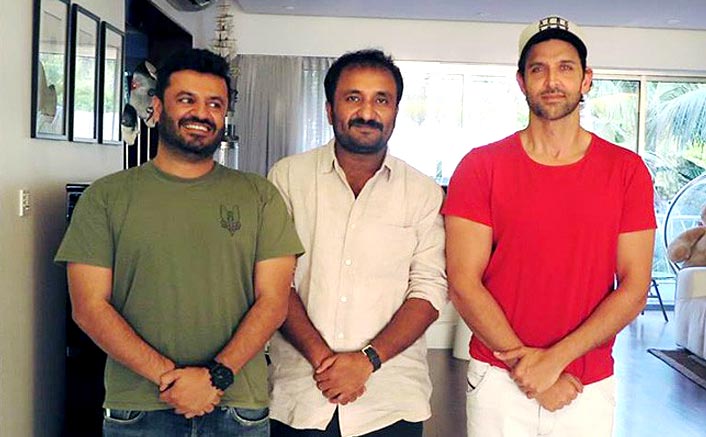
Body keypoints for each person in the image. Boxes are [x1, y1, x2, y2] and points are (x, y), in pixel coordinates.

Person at [55, 48, 304, 436]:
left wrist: (215, 377)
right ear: (157, 108)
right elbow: (89, 307)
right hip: (138, 408)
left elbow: (273, 301)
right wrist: (172, 379)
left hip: (237, 406)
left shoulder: (259, 196)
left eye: (214, 104)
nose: (201, 113)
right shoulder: (105, 197)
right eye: (187, 100)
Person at [443, 16, 656, 437]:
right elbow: (464, 282)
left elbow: (634, 288)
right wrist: (529, 370)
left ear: (586, 79)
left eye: (565, 68)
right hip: (498, 379)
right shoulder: (481, 167)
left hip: (586, 384)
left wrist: (554, 361)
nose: (552, 81)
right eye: (538, 69)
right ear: (521, 81)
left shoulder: (626, 171)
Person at [267, 49, 447, 437]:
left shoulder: (423, 193)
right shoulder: (288, 178)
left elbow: (429, 290)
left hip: (389, 400)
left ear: (395, 112)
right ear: (329, 110)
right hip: (300, 394)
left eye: (381, 100)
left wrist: (367, 361)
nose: (367, 112)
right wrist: (325, 361)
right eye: (353, 98)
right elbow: (275, 281)